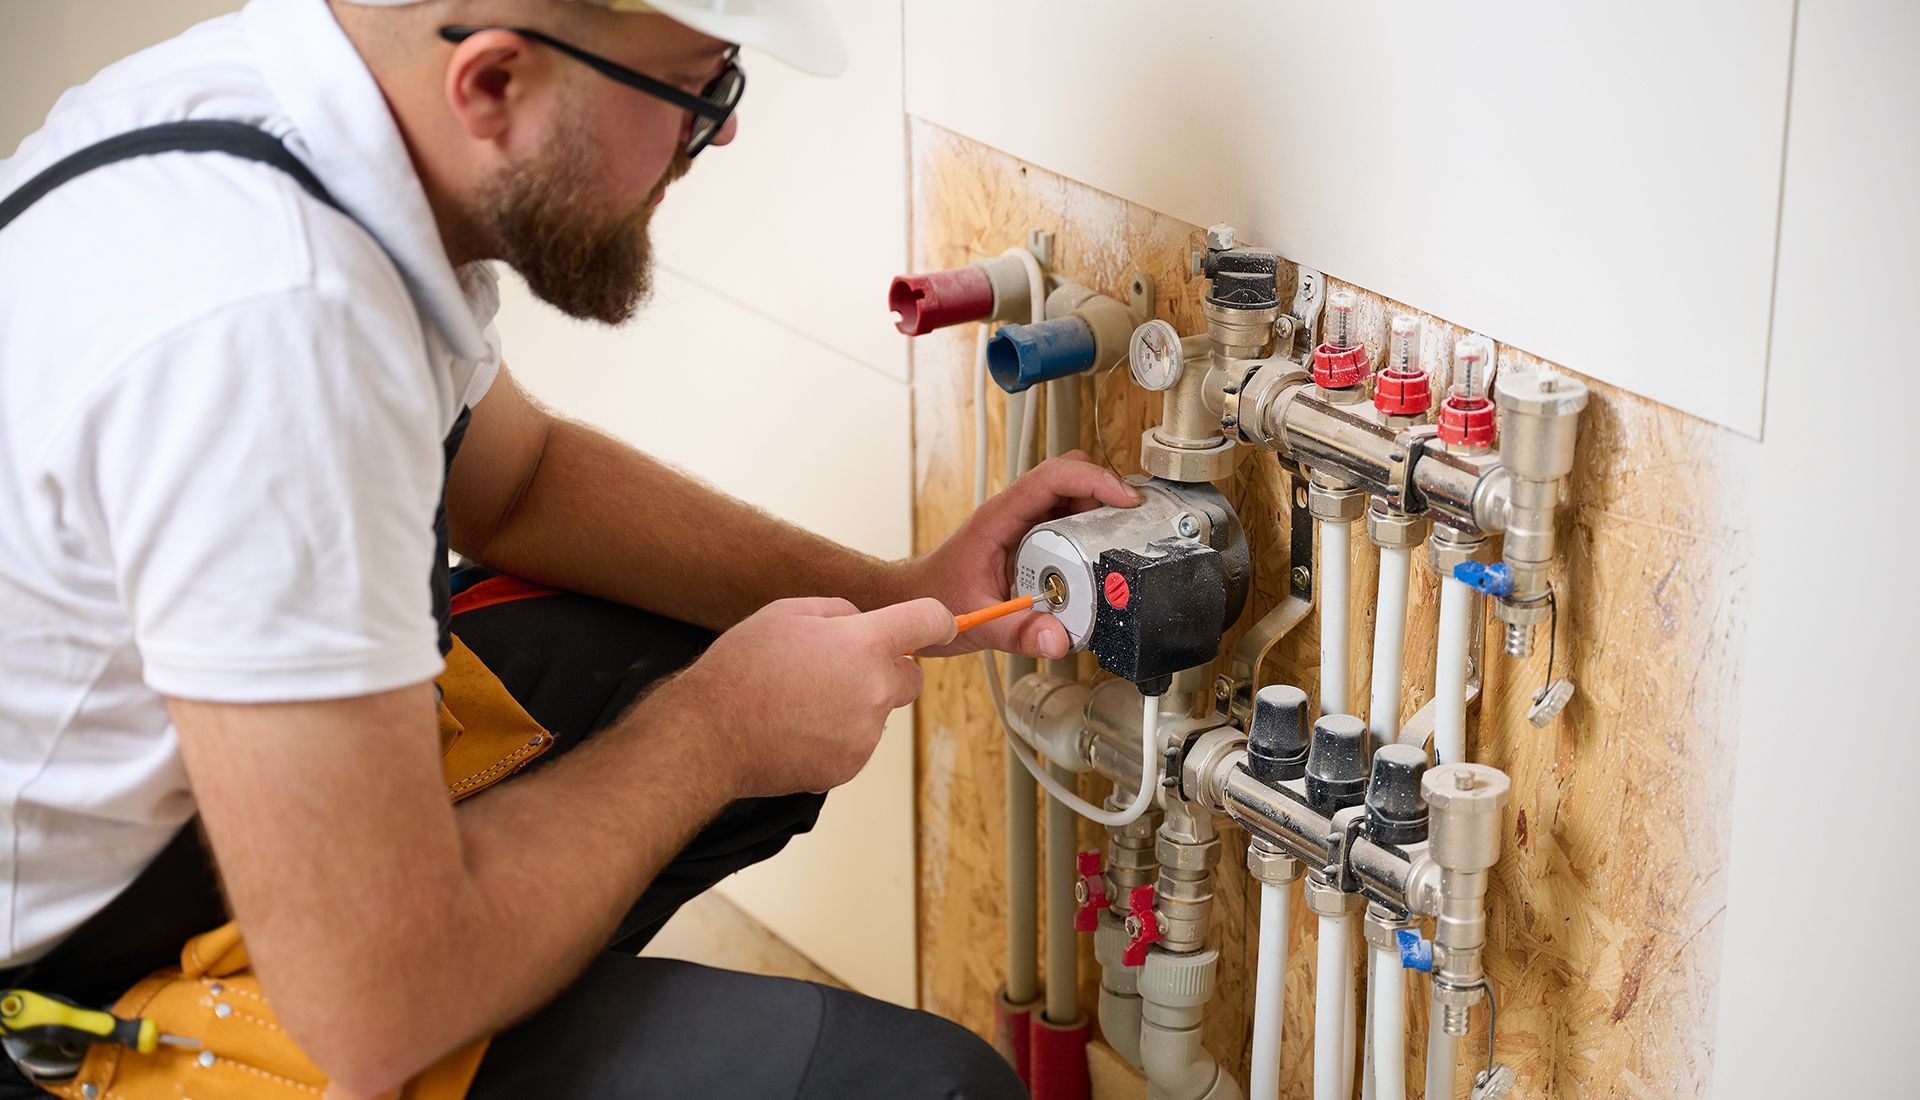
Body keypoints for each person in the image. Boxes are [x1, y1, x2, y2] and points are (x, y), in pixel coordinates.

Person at [0, 0, 1140, 1095]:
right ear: (494, 81)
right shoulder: (271, 335)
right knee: (930, 1087)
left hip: (160, 827)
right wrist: (717, 728)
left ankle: (514, 970)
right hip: (58, 988)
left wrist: (899, 587)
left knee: (685, 645)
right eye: (698, 88)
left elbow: (522, 476)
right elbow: (370, 1011)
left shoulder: (313, 133)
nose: (725, 128)